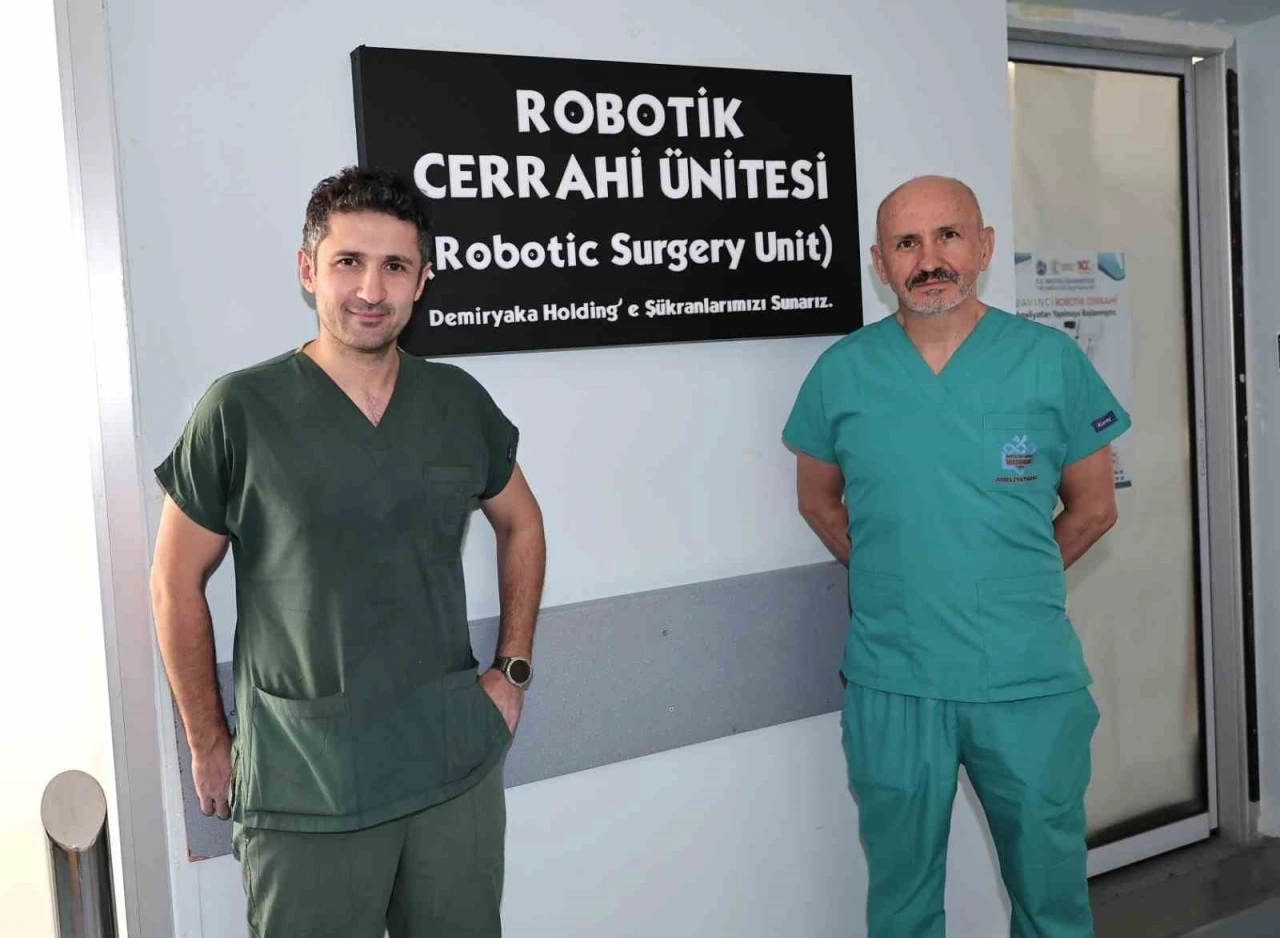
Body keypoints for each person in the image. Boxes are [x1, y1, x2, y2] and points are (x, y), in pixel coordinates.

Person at [150, 166, 545, 938]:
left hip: (449, 766)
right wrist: (207, 738)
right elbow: (173, 582)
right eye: (348, 262)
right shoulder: (239, 410)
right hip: (305, 784)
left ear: (422, 282)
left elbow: (522, 525)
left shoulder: (456, 402)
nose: (371, 288)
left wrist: (513, 669)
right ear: (309, 270)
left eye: (395, 266)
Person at [784, 175, 1128, 938]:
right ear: (881, 263)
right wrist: (899, 576)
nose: (929, 259)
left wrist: (1008, 581)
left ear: (984, 246)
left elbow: (1095, 507)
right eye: (906, 243)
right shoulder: (843, 372)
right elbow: (818, 501)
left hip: (1027, 683)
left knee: (1052, 905)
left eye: (948, 235)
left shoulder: (1048, 361)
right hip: (894, 683)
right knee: (902, 909)